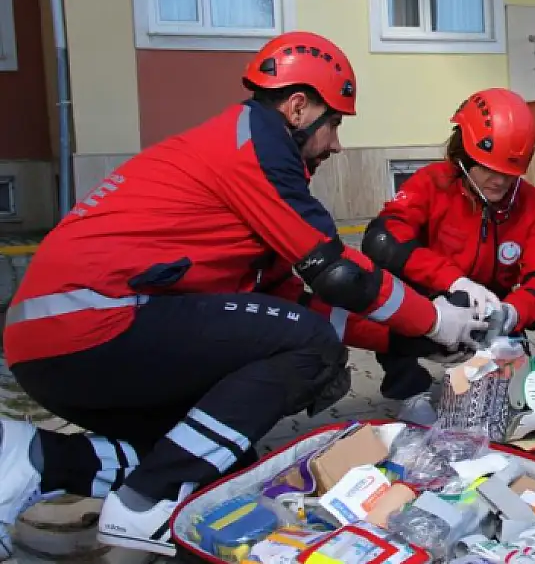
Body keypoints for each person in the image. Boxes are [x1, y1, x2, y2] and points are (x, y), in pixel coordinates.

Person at [0, 31, 485, 559]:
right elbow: (338, 274)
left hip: (58, 342)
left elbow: (288, 302)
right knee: (309, 350)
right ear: (298, 108)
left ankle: (34, 460)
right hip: (90, 328)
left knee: (220, 457)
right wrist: (435, 320)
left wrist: (412, 341)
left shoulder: (240, 153)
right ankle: (145, 504)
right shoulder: (258, 148)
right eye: (336, 123)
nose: (337, 144)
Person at [362, 88, 535, 406]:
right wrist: (453, 280)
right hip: (436, 297)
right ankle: (408, 387)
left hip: (493, 305)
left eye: (509, 173)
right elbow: (383, 239)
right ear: (464, 154)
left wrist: (512, 312)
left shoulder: (534, 205)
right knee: (386, 280)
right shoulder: (431, 183)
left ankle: (484, 366)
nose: (499, 181)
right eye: (488, 168)